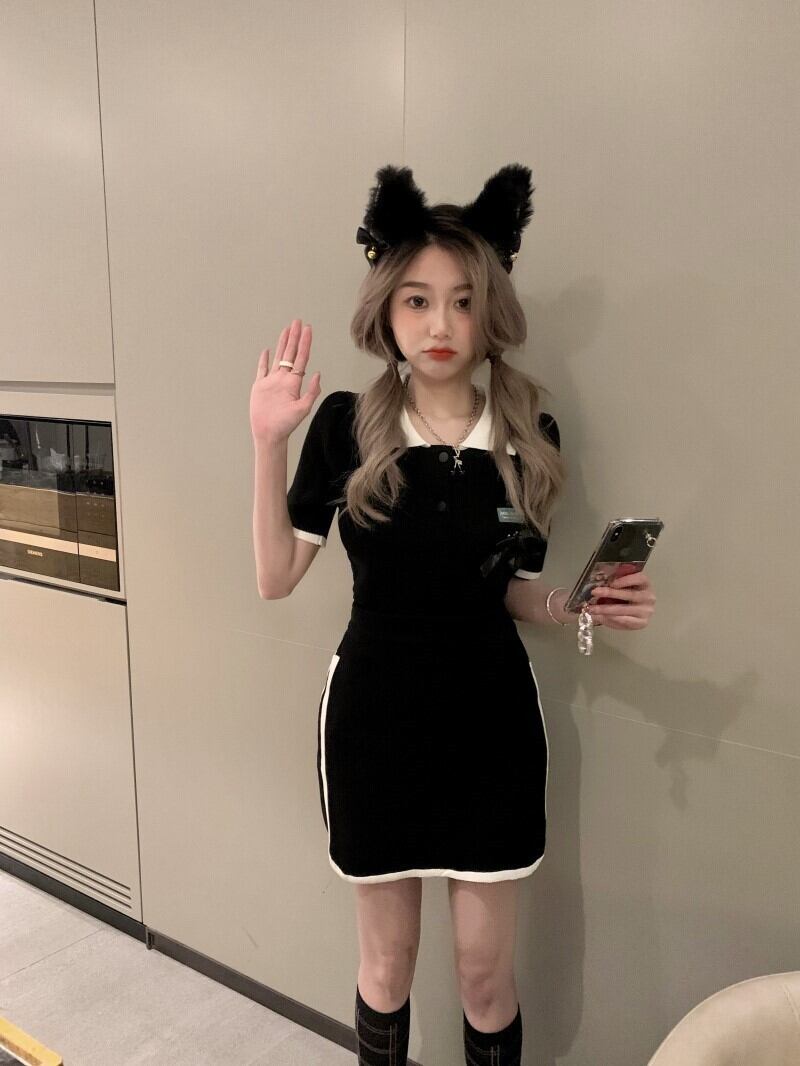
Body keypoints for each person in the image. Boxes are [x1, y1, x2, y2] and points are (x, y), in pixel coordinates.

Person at [250, 165, 656, 1066]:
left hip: (490, 723)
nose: (440, 325)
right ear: (387, 311)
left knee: (483, 975)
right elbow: (275, 577)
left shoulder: (529, 437)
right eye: (418, 301)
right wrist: (267, 446)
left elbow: (509, 588)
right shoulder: (346, 426)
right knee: (386, 966)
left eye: (463, 303)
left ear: (489, 312)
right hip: (375, 722)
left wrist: (576, 604)